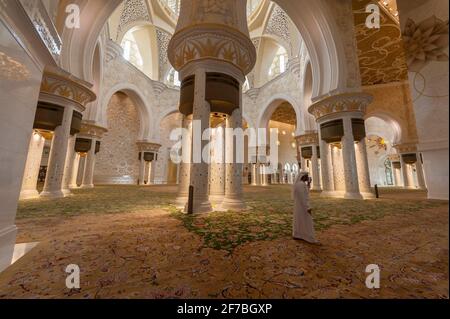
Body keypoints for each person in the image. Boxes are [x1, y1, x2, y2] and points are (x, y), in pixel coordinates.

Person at [292, 171, 318, 244]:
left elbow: (306, 192)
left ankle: (298, 234)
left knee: (299, 219)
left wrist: (308, 184)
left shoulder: (300, 184)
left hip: (299, 205)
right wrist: (307, 207)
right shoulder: (301, 185)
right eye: (307, 176)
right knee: (305, 220)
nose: (308, 177)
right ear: (303, 177)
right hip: (302, 206)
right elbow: (303, 197)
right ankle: (308, 236)